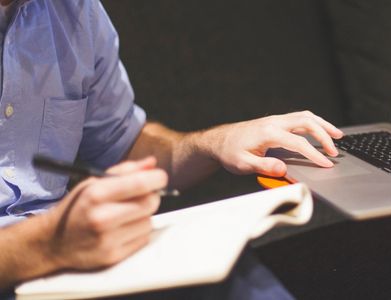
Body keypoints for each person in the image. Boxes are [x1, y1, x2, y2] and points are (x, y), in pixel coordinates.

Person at [0, 0, 343, 298]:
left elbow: (125, 144)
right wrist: (46, 244)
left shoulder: (73, 12)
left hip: (69, 267)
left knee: (238, 280)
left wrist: (214, 143)